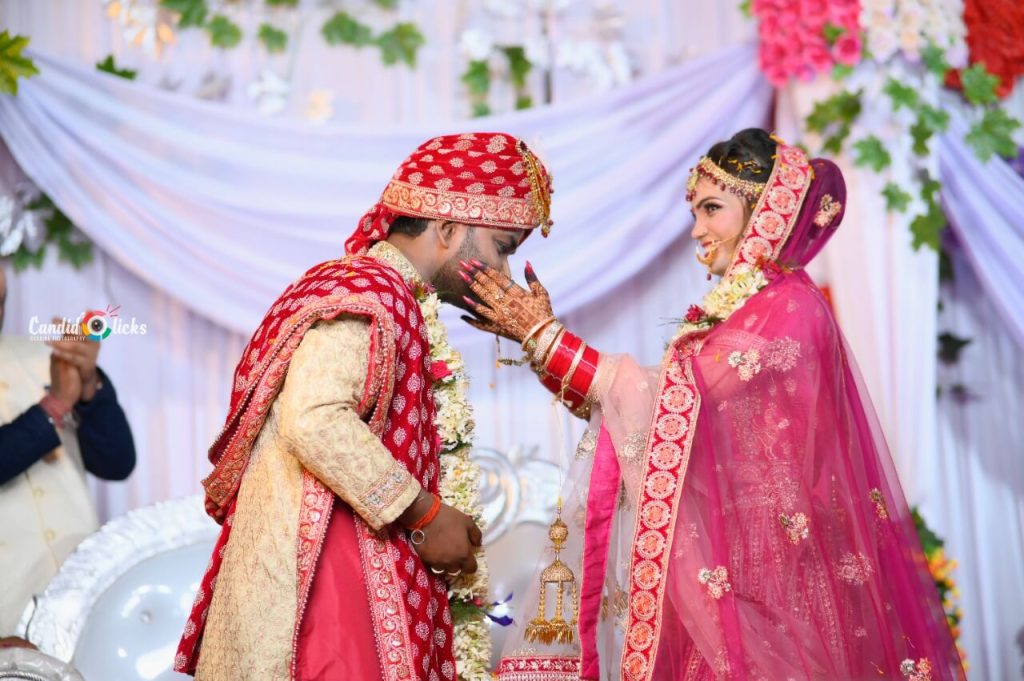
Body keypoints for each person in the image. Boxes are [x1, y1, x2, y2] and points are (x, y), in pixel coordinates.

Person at [464, 129, 965, 680]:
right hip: (730, 564)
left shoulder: (789, 305)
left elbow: (674, 403)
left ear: (766, 211)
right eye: (695, 211)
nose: (698, 230)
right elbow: (657, 414)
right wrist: (542, 346)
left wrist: (546, 337)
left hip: (770, 574)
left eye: (712, 209)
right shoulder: (754, 306)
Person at [174, 132, 555, 680]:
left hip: (343, 576)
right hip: (320, 596)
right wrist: (424, 513)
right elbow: (315, 417)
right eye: (501, 247)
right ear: (448, 229)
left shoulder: (388, 295)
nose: (503, 272)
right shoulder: (371, 291)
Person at [0, 265, 136, 637]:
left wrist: (89, 386)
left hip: (87, 597)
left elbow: (116, 463)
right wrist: (56, 404)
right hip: (8, 617)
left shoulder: (45, 356)